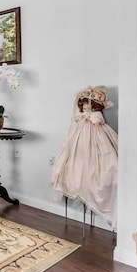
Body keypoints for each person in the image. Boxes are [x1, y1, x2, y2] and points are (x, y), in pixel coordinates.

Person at [51, 86, 118, 228]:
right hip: (80, 139)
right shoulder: (80, 122)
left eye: (88, 104)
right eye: (84, 104)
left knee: (104, 161)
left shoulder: (96, 119)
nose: (85, 106)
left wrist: (90, 118)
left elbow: (98, 121)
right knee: (77, 160)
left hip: (95, 138)